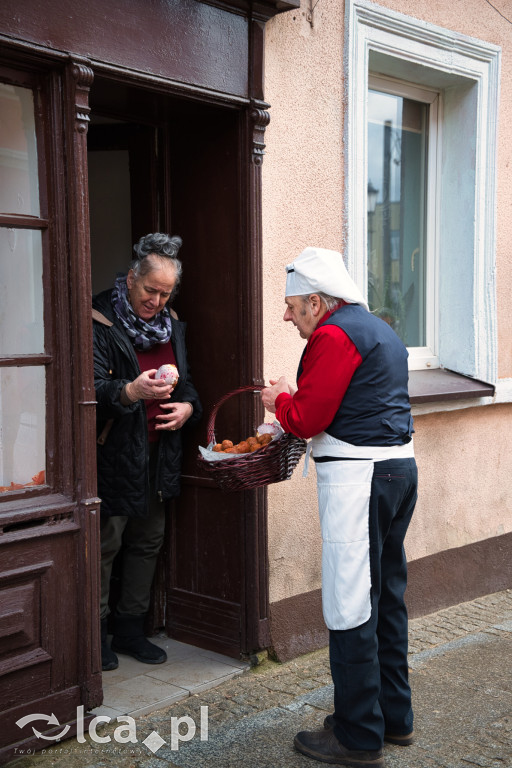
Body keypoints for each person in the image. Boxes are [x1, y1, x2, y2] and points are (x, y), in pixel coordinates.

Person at [261, 247, 417, 768]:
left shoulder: (334, 334)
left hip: (360, 479)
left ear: (314, 301)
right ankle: (394, 718)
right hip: (399, 471)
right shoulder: (379, 328)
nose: (287, 317)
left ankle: (357, 735)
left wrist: (279, 398)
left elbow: (306, 419)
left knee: (351, 601)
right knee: (387, 596)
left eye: (291, 307)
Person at [93, 233, 202, 671]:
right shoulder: (100, 318)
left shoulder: (171, 323)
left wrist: (188, 408)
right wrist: (131, 390)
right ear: (131, 278)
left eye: (165, 293)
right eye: (149, 290)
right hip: (114, 453)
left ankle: (130, 630)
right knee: (106, 543)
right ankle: (95, 634)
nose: (156, 300)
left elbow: (188, 381)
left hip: (160, 453)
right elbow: (90, 391)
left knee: (147, 541)